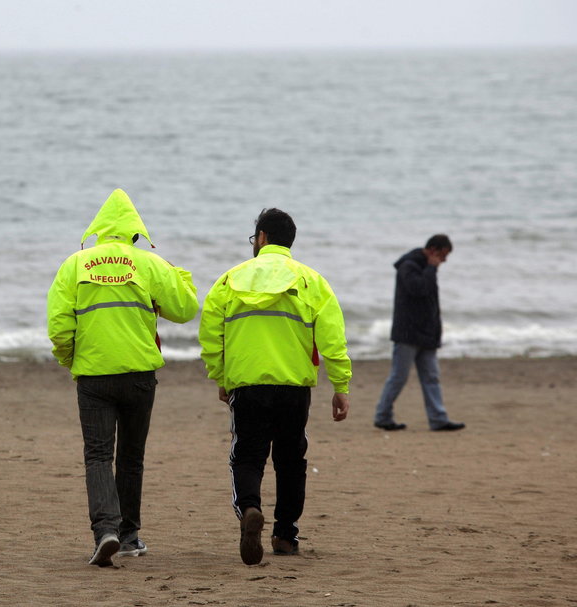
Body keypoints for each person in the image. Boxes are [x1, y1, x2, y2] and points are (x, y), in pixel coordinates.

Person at [47, 189, 198, 567]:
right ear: (135, 233)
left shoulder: (75, 264)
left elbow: (59, 327)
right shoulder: (148, 263)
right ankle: (129, 536)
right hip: (138, 374)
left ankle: (106, 532)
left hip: (94, 376)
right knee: (131, 457)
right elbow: (186, 308)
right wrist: (176, 271)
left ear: (98, 230)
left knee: (97, 456)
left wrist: (72, 360)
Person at [198, 208, 351, 566]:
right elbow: (332, 338)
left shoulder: (229, 280)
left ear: (262, 237)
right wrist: (340, 385)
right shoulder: (311, 280)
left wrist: (220, 377)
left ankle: (250, 508)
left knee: (247, 455)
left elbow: (210, 335)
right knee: (291, 459)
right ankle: (285, 535)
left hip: (248, 384)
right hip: (294, 385)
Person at [373, 234, 465, 432]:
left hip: (427, 333)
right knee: (399, 377)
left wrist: (435, 331)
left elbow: (429, 301)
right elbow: (419, 289)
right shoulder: (409, 266)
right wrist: (431, 267)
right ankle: (383, 416)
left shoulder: (426, 267)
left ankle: (438, 419)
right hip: (408, 333)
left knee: (431, 377)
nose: (444, 260)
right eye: (443, 254)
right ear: (433, 250)